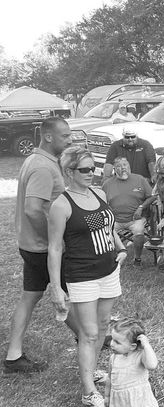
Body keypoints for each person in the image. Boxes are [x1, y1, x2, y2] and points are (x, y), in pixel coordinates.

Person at [48, 146, 127, 407]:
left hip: (108, 271)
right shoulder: (62, 205)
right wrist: (57, 289)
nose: (91, 173)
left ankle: (91, 371)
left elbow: (107, 225)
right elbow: (55, 248)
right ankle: (88, 390)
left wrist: (121, 248)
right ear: (69, 172)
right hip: (82, 275)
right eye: (84, 169)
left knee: (103, 325)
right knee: (89, 333)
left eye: (93, 168)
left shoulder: (99, 192)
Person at [3, 117, 75, 374]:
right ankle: (92, 340)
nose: (70, 140)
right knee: (71, 297)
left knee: (29, 297)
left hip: (31, 246)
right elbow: (33, 210)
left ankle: (13, 357)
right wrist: (55, 240)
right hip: (44, 249)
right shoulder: (43, 167)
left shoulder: (36, 160)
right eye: (65, 136)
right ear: (48, 137)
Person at [102, 157, 154, 266]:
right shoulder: (107, 184)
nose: (123, 168)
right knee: (104, 234)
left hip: (136, 219)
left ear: (129, 166)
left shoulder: (139, 179)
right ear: (114, 169)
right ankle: (113, 259)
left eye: (125, 165)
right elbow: (102, 203)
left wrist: (141, 207)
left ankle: (137, 259)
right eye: (119, 166)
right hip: (115, 220)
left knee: (139, 232)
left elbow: (151, 197)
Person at [105, 318, 158, 407]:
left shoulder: (140, 356)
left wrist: (146, 345)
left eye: (117, 342)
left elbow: (152, 365)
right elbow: (109, 378)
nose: (111, 344)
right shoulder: (114, 358)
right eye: (112, 339)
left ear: (132, 347)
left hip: (138, 400)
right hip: (119, 401)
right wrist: (107, 396)